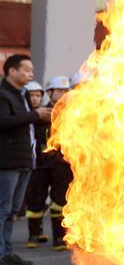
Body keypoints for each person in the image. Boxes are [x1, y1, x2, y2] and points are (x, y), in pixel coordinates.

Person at [0, 55, 50, 265]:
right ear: (12, 71)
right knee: (3, 209)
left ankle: (7, 252)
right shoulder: (3, 95)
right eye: (27, 70)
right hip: (7, 162)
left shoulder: (21, 95)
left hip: (23, 161)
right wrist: (35, 115)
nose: (31, 73)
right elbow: (4, 122)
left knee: (12, 211)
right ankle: (1, 254)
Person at [24, 75, 72, 250]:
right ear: (50, 92)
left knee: (60, 200)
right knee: (36, 198)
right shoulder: (39, 113)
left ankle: (59, 237)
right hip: (40, 164)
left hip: (61, 163)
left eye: (66, 90)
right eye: (59, 90)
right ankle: (34, 234)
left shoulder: (72, 113)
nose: (64, 94)